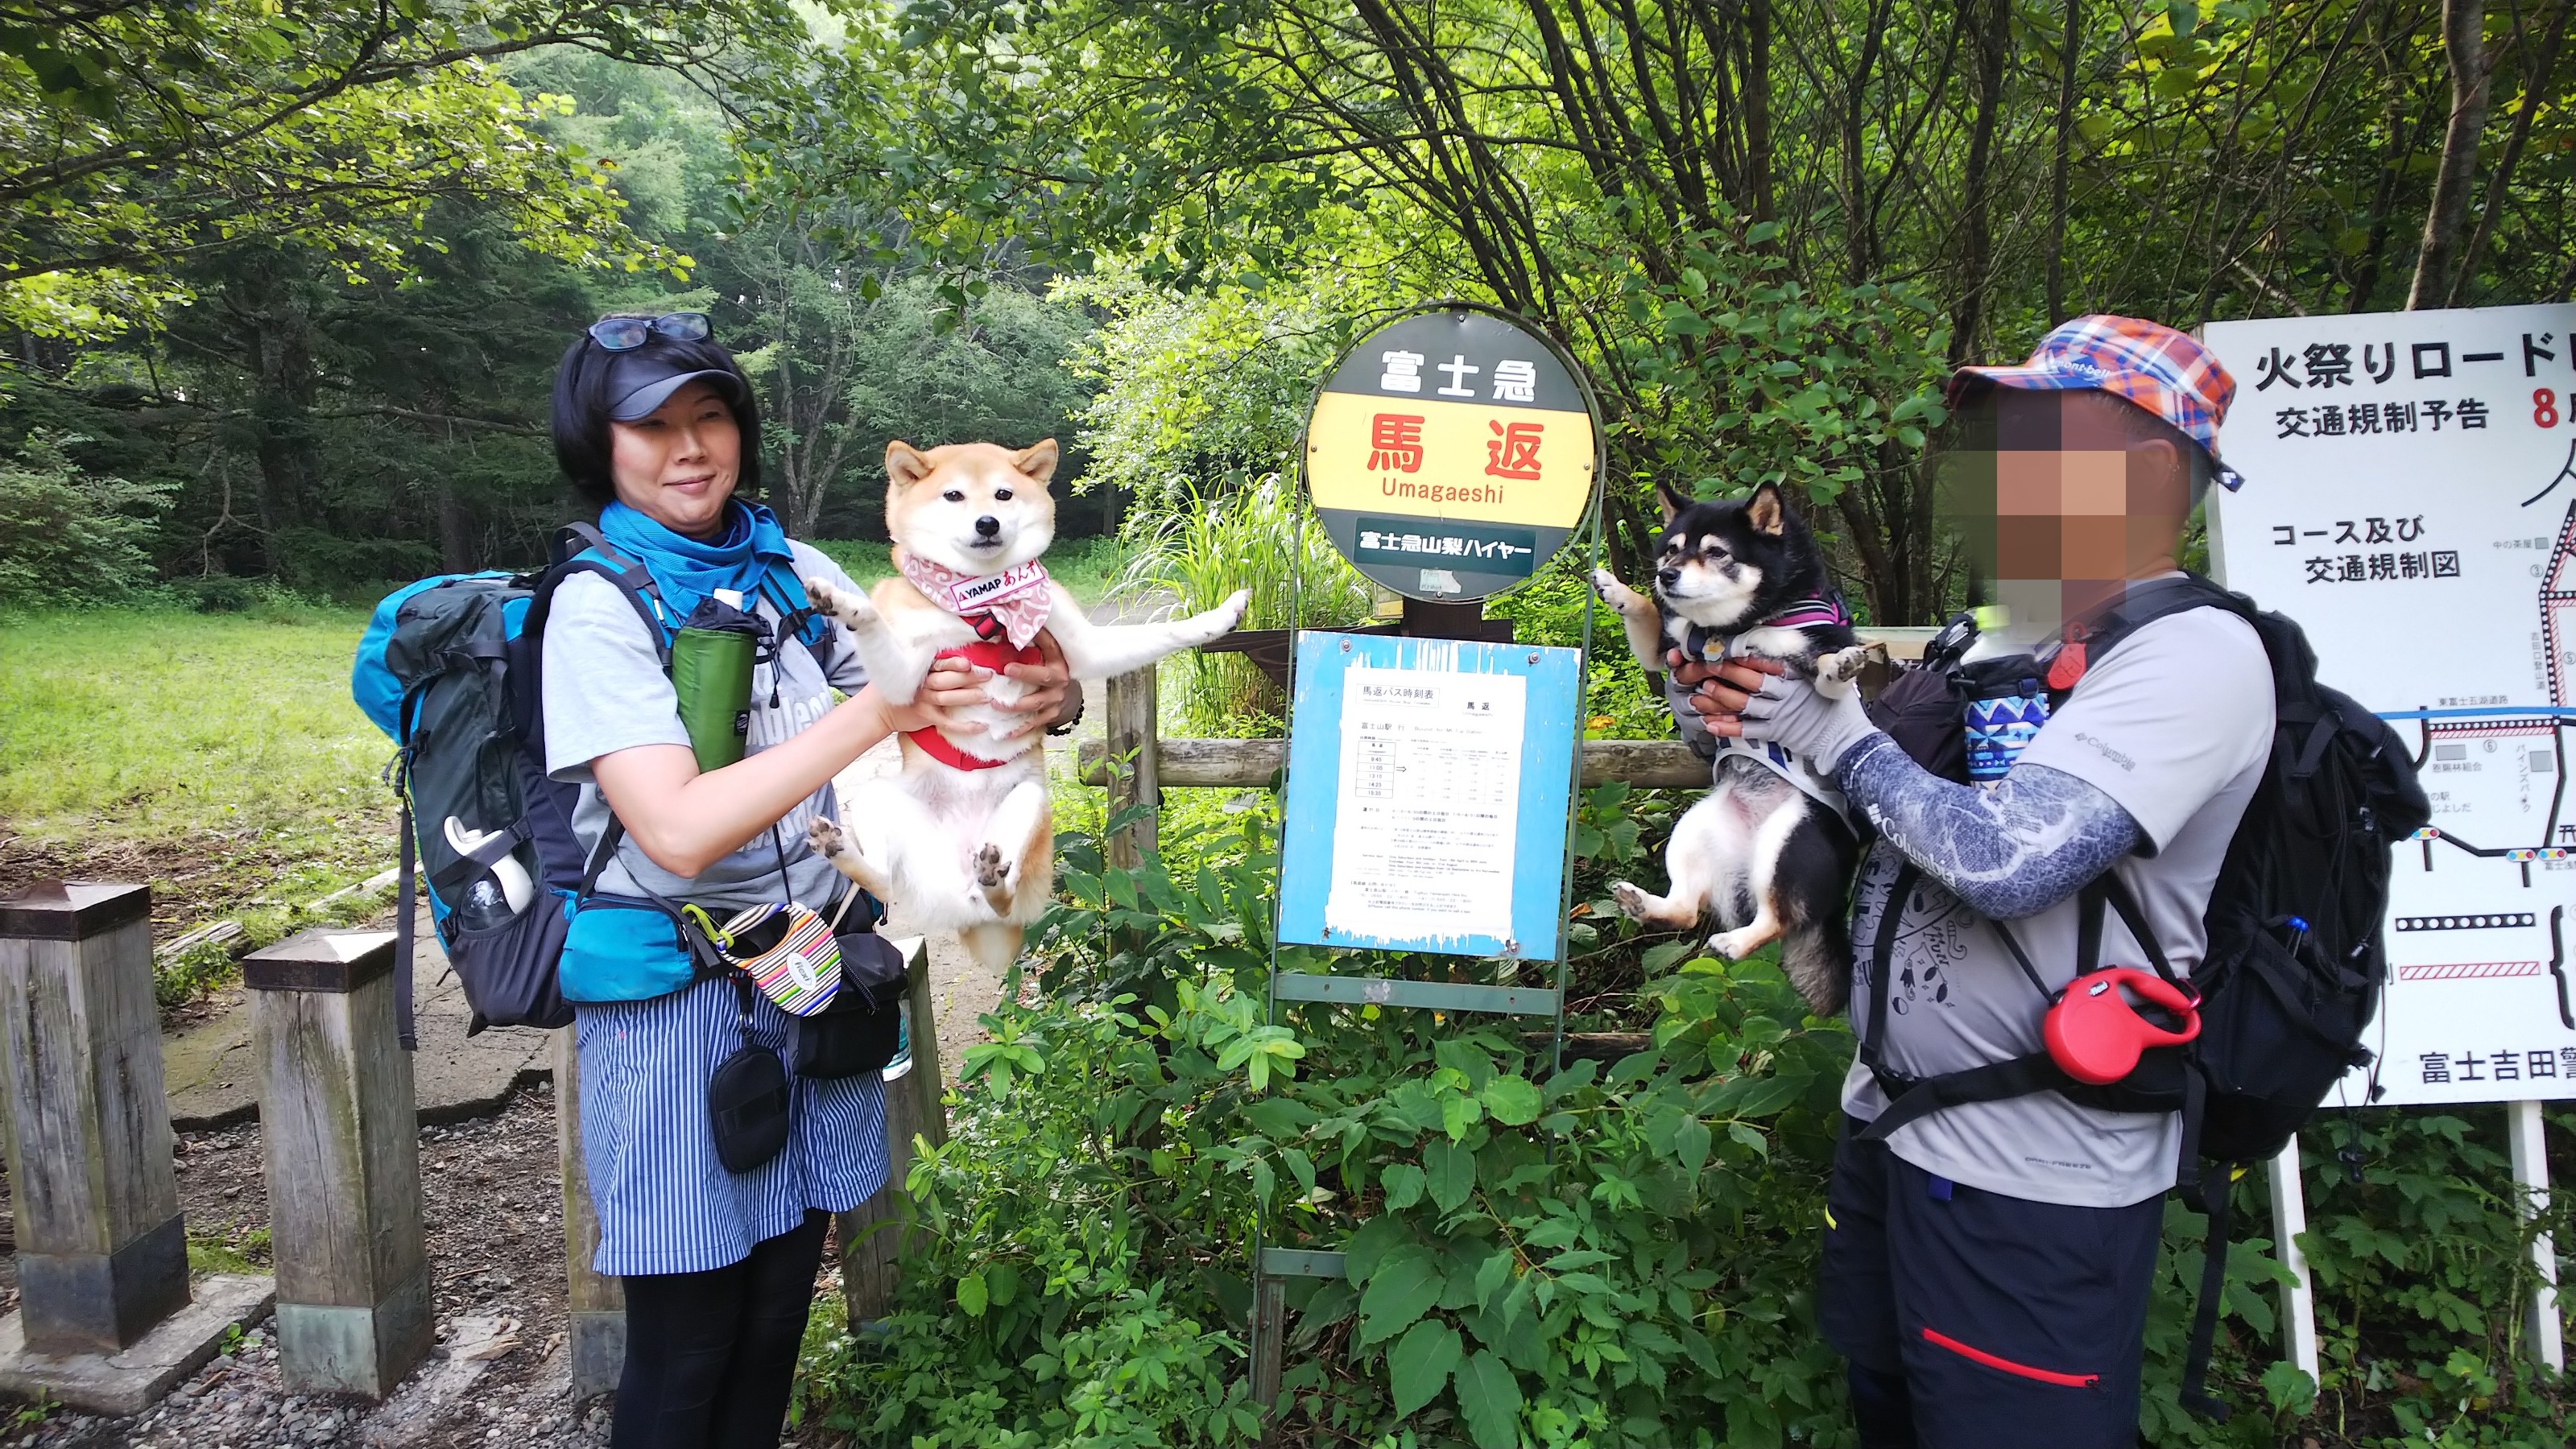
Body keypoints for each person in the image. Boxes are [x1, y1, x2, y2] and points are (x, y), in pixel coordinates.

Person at [1671, 318, 2273, 1448]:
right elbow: (1860, 798)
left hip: (2033, 1174)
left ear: (2148, 474)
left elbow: (2009, 862)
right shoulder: (2010, 635)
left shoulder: (2193, 656)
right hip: (1892, 1126)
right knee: (1888, 1408)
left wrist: (1830, 729)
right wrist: (1734, 712)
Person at [540, 310, 1076, 1448]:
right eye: (652, 427)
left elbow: (952, 658)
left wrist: (1053, 691)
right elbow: (677, 830)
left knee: (781, 1303)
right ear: (600, 445)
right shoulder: (598, 605)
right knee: (690, 1333)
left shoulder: (784, 565)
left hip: (805, 968)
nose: (691, 448)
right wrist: (881, 713)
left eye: (710, 416)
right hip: (675, 998)